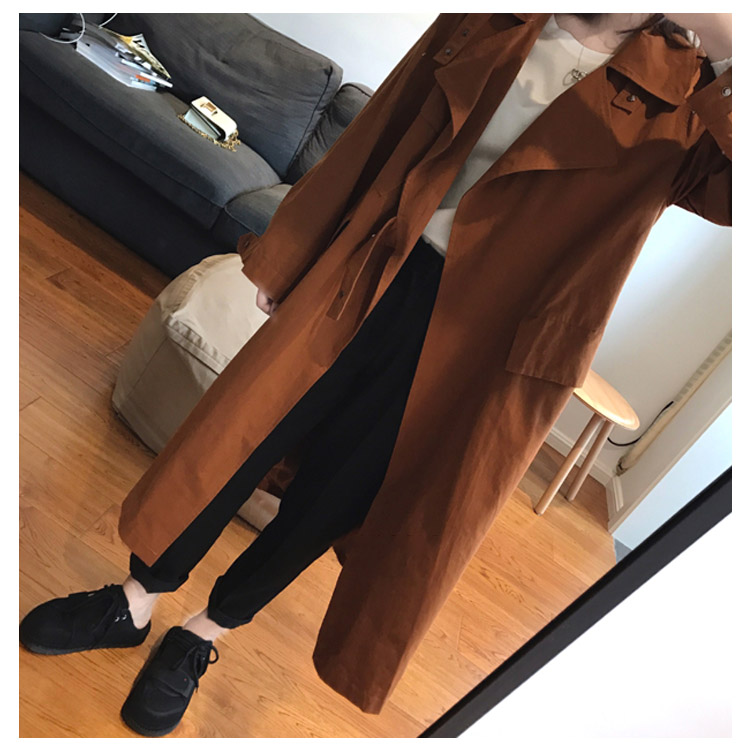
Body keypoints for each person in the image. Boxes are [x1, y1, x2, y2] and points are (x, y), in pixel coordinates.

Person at [20, 13, 732, 737]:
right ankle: (134, 600)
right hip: (374, 264)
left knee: (338, 490)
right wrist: (293, 251)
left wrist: (731, 49)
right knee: (238, 436)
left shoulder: (690, 91)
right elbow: (383, 124)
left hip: (484, 341)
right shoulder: (499, 18)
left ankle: (206, 631)